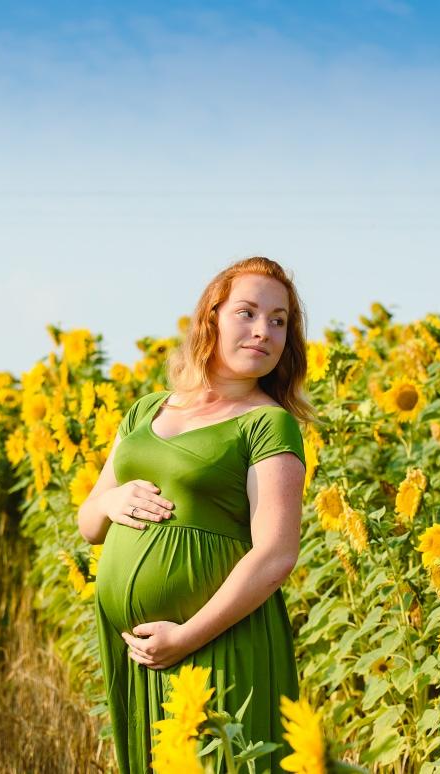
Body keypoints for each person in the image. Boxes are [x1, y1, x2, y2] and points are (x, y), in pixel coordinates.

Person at [77, 256, 317, 774]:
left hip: (216, 641)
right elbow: (89, 523)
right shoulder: (147, 410)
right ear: (211, 318)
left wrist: (185, 638)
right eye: (248, 313)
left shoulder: (267, 424)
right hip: (138, 651)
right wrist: (111, 502)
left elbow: (276, 554)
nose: (264, 331)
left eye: (279, 321)